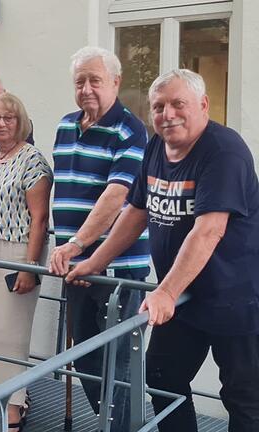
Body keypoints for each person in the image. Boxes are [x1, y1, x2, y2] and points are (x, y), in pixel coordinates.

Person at [68, 69, 259, 432]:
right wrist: (94, 260)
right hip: (184, 294)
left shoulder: (224, 152)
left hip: (236, 297)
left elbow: (208, 231)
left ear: (202, 105)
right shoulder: (156, 145)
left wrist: (165, 292)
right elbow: (136, 211)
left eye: (177, 104)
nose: (167, 114)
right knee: (161, 378)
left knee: (244, 397)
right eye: (158, 107)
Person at [48, 46, 150, 432]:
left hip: (119, 267)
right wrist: (66, 250)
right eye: (80, 81)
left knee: (119, 363)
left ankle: (120, 427)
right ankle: (111, 422)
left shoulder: (130, 128)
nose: (87, 88)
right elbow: (66, 191)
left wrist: (76, 244)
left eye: (95, 80)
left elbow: (116, 195)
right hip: (74, 266)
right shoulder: (64, 124)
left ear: (116, 83)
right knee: (85, 357)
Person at [0, 92, 53, 430]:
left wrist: (29, 267)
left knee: (10, 333)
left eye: (8, 117)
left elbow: (40, 218)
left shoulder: (32, 159)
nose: (1, 123)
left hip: (17, 250)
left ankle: (13, 406)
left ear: (21, 121)